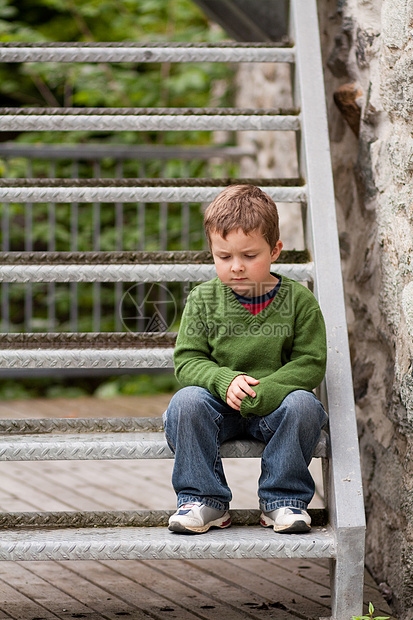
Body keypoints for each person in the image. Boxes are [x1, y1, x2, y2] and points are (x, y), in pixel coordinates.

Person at [163, 184, 327, 535]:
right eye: (224, 257)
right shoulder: (203, 299)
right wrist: (223, 380)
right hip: (219, 409)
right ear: (212, 252)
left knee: (305, 405)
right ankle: (203, 499)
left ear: (275, 250)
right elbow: (188, 360)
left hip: (274, 409)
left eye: (249, 256)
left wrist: (268, 389)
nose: (236, 267)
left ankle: (283, 500)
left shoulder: (299, 301)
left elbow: (310, 362)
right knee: (186, 402)